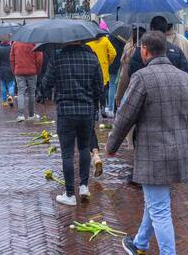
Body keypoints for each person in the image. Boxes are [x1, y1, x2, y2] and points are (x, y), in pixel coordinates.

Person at [109, 31, 188, 255]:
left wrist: (112, 146)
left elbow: (125, 116)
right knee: (156, 202)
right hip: (177, 153)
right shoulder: (186, 79)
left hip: (152, 153)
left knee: (160, 210)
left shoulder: (142, 78)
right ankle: (139, 245)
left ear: (146, 50)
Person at [40, 36, 103, 205]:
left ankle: (69, 194)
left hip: (65, 112)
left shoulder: (58, 58)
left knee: (67, 154)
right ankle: (83, 186)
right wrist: (93, 104)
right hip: (86, 111)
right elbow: (99, 86)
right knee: (84, 148)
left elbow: (46, 83)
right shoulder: (92, 58)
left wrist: (50, 91)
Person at [87, 33, 117, 167]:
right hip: (103, 70)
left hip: (90, 72)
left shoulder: (88, 42)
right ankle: (103, 108)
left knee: (94, 92)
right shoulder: (105, 40)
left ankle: (95, 111)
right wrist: (107, 61)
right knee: (103, 90)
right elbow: (113, 53)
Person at [11, 38, 43, 121]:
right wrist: (38, 70)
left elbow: (12, 58)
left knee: (20, 92)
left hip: (19, 71)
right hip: (32, 71)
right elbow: (39, 59)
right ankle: (31, 115)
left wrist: (14, 69)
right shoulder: (34, 42)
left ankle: (21, 115)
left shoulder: (15, 43)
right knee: (31, 93)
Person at [0, 39, 15, 107]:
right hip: (10, 68)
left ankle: (4, 101)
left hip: (2, 69)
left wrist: (0, 64)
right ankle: (10, 96)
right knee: (11, 84)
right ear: (8, 41)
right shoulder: (11, 48)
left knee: (3, 85)